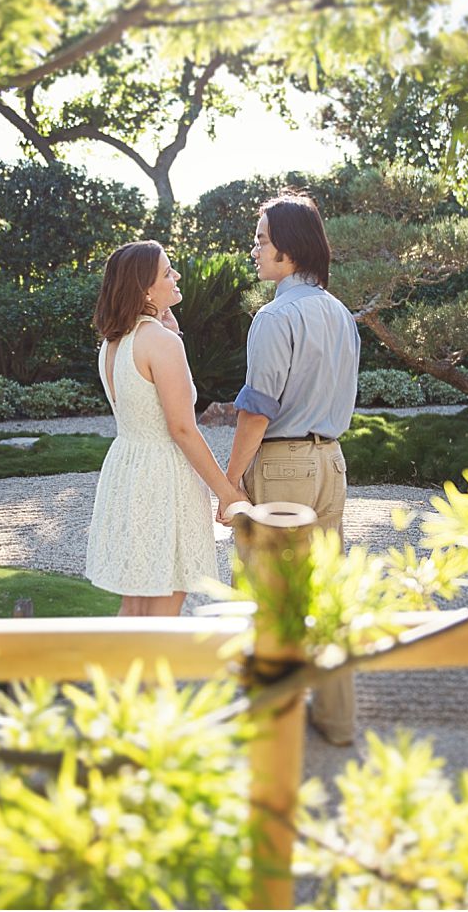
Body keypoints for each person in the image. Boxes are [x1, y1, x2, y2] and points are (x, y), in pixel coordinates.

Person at [219, 192, 361, 745]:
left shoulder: (275, 316)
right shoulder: (341, 314)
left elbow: (257, 410)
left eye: (261, 239)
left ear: (289, 251)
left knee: (269, 595)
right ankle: (338, 720)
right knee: (326, 597)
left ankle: (269, 726)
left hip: (282, 467)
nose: (254, 250)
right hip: (332, 463)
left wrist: (230, 482)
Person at [85, 241, 246, 617]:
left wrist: (167, 325)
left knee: (136, 603)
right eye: (167, 272)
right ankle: (152, 675)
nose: (175, 277)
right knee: (163, 606)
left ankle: (122, 675)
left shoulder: (113, 343)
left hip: (127, 472)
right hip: (161, 479)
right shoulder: (160, 342)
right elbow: (182, 429)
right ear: (144, 289)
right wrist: (227, 493)